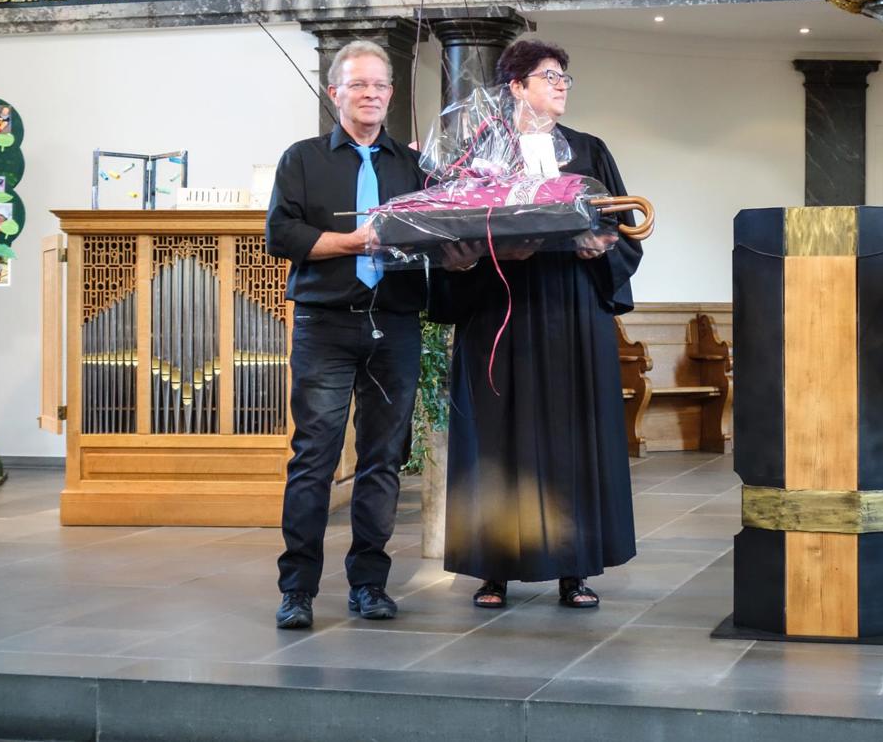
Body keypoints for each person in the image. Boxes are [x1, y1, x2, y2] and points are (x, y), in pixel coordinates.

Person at [428, 38, 642, 610]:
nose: (561, 86)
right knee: (496, 440)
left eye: (565, 78)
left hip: (572, 307)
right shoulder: (478, 152)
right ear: (516, 87)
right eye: (549, 77)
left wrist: (603, 248)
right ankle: (492, 567)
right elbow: (450, 235)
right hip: (502, 307)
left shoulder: (590, 150)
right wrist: (483, 255)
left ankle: (575, 568)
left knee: (575, 435)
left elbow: (622, 225)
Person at [266, 40, 429, 629]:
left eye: (381, 85)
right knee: (315, 458)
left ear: (391, 94)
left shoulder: (413, 166)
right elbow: (281, 235)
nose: (371, 94)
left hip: (396, 323)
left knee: (383, 460)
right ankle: (298, 591)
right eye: (358, 84)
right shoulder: (303, 158)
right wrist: (355, 242)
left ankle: (369, 584)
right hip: (324, 323)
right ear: (335, 92)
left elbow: (436, 234)